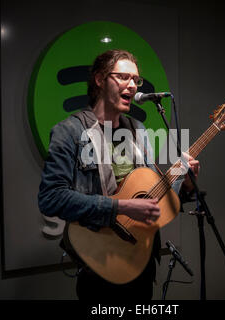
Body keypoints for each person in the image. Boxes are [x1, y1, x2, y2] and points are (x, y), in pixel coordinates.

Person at [38, 49, 200, 301]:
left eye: (136, 79)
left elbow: (150, 195)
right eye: (123, 77)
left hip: (142, 260)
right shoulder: (69, 131)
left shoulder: (138, 130)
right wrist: (121, 206)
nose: (133, 86)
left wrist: (186, 183)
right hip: (100, 263)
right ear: (100, 80)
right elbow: (51, 198)